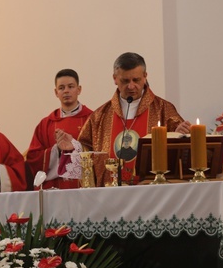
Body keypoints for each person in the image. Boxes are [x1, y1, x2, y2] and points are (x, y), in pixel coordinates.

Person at [79, 52, 191, 186]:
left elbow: (181, 154)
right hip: (110, 193)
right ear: (115, 79)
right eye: (125, 81)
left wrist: (178, 136)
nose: (131, 86)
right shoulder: (99, 117)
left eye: (136, 80)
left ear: (145, 77)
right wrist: (71, 147)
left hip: (151, 191)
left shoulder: (163, 110)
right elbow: (85, 153)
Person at [26, 69, 93, 189]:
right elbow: (33, 158)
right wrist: (56, 150)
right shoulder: (46, 124)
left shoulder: (92, 119)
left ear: (79, 89)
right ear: (56, 92)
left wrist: (75, 146)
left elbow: (100, 152)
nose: (66, 91)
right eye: (61, 88)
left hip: (82, 186)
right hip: (52, 187)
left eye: (71, 86)